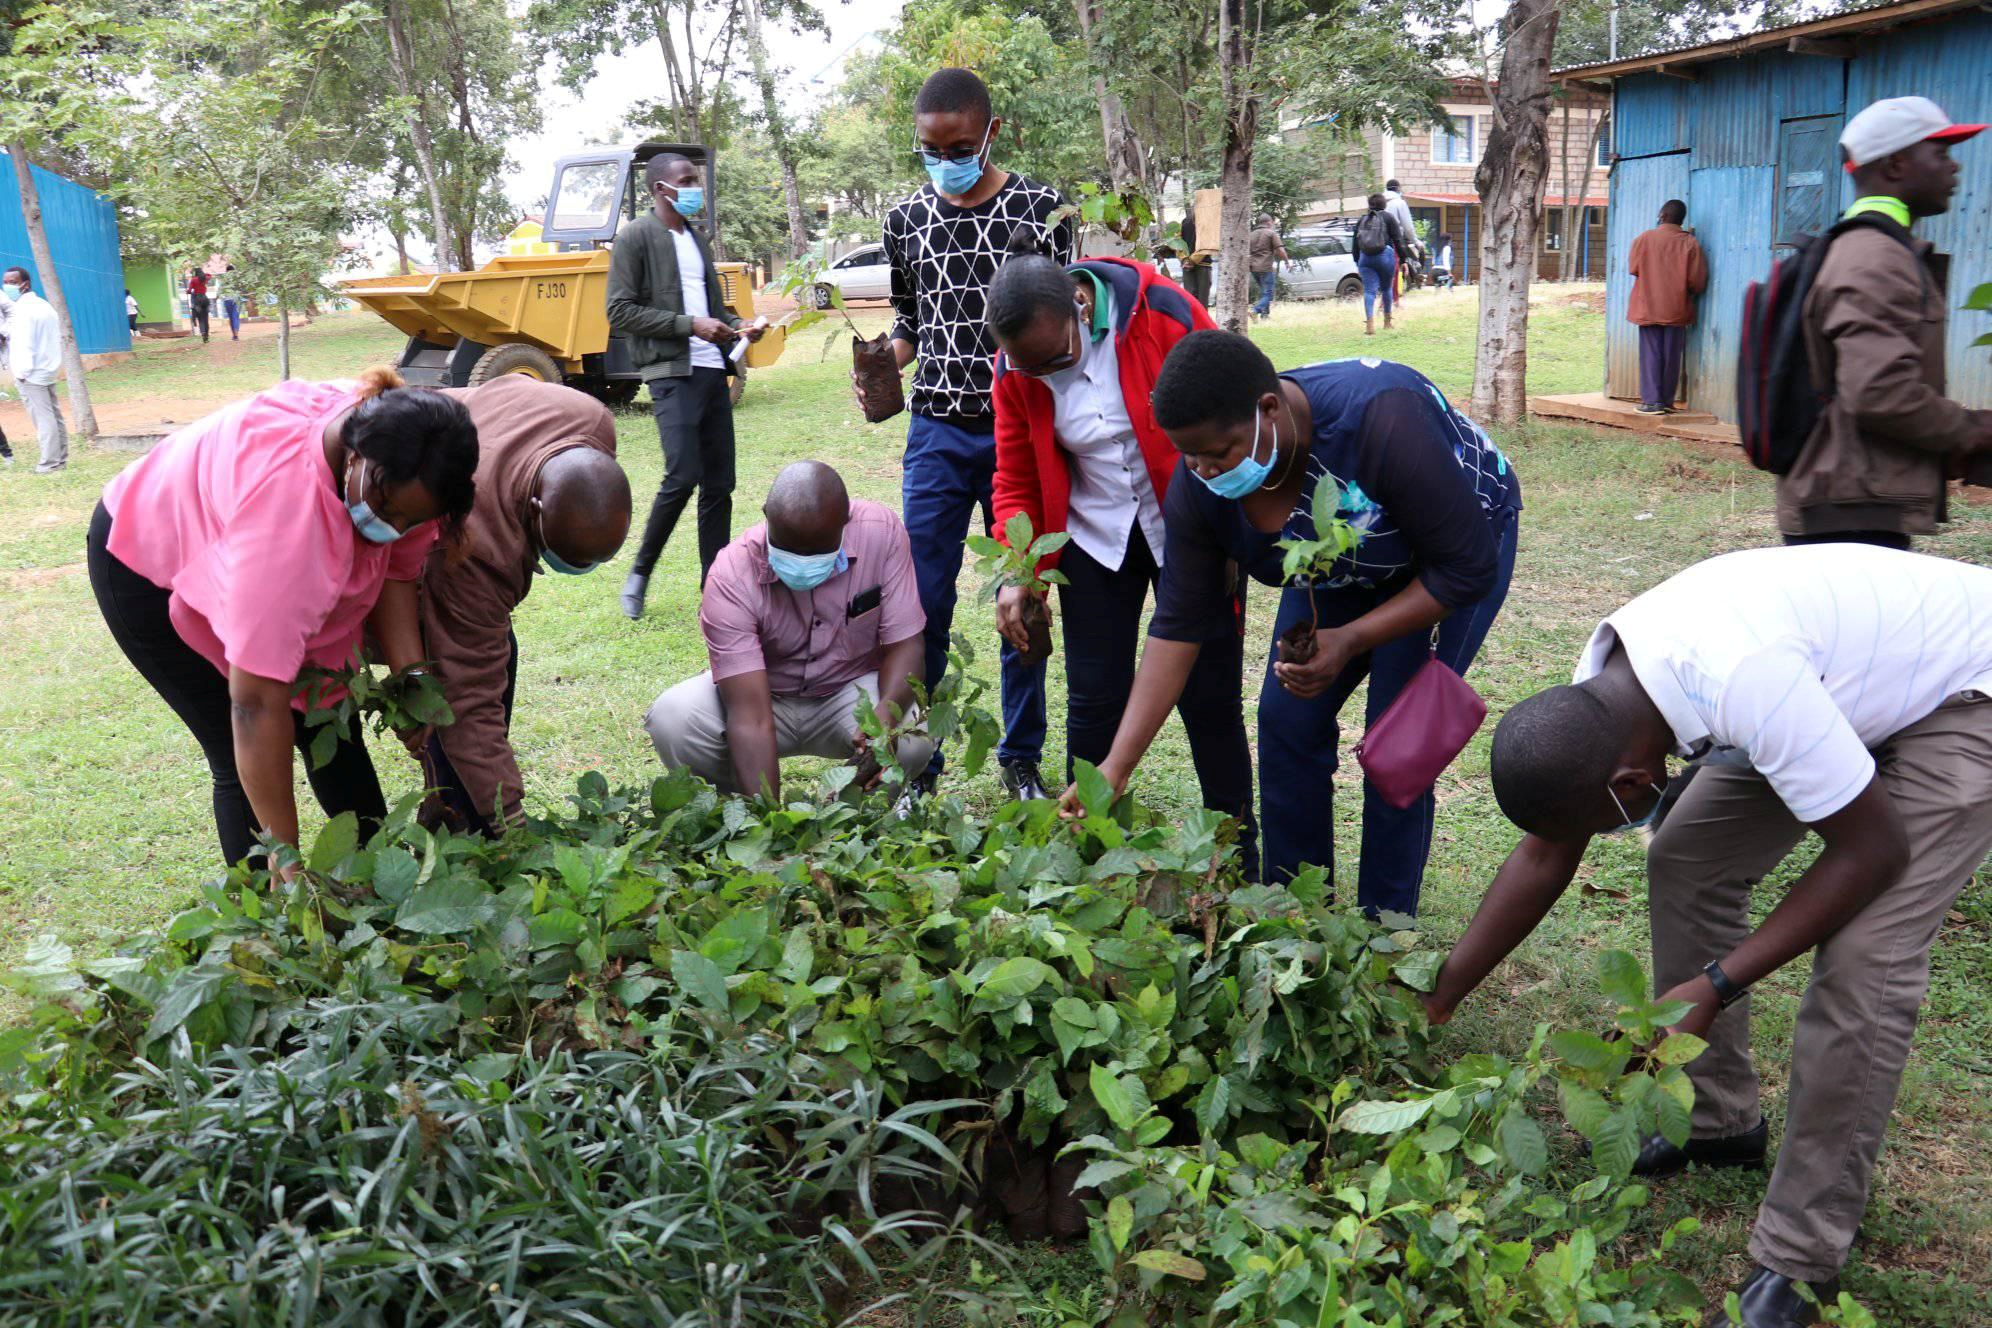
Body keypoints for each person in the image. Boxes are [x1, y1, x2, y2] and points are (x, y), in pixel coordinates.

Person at [1422, 546, 1992, 1328]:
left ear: (1629, 785)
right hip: (1834, 686)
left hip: (1965, 692)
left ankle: (1799, 1259)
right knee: (1687, 857)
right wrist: (1441, 994)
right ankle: (1720, 1121)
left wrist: (1715, 984)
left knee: (1868, 957)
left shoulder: (1743, 680)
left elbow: (1874, 850)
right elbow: (1548, 849)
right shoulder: (1604, 693)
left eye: (1609, 819)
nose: (1606, 830)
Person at [1074, 332, 1522, 911]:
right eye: (1192, 456)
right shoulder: (1201, 486)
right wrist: (1117, 766)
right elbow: (1178, 623)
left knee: (1396, 747)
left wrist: (1352, 638)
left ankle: (1384, 933)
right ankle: (1298, 918)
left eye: (1221, 452)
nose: (1207, 470)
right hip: (1336, 564)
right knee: (1287, 722)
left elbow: (1465, 570)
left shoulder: (1380, 419)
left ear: (1269, 409)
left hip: (1447, 554)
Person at [86, 368, 479, 870]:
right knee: (235, 752)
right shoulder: (288, 531)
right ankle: (267, 916)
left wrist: (413, 682)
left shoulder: (399, 441)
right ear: (357, 459)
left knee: (331, 723)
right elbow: (254, 705)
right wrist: (286, 859)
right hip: (145, 556)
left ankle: (377, 881)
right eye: (385, 507)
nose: (394, 529)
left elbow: (397, 576)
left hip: (248, 529)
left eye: (412, 521)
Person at [986, 238, 1258, 877]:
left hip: (1189, 530)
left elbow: (1235, 413)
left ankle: (1238, 850)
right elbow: (1016, 473)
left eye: (1055, 359)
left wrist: (1229, 538)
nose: (1043, 375)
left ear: (1081, 307)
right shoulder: (1014, 368)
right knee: (1094, 697)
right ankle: (1096, 853)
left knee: (1209, 694)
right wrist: (1018, 569)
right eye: (1029, 368)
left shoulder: (1163, 314)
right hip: (1095, 536)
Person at [866, 66, 1072, 802]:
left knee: (1024, 588)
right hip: (936, 434)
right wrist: (879, 365)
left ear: (992, 133)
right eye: (930, 146)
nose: (945, 158)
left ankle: (1021, 757)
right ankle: (919, 762)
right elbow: (911, 324)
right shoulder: (904, 220)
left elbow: (1061, 326)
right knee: (921, 601)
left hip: (1021, 427)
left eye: (959, 143)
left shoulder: (1042, 209)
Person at [645, 461, 934, 799]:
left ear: (846, 523)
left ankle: (854, 814)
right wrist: (772, 828)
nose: (803, 562)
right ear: (766, 515)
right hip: (764, 694)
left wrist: (882, 720)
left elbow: (906, 645)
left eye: (817, 552)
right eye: (790, 550)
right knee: (674, 717)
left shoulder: (880, 532)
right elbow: (749, 718)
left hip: (849, 691)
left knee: (912, 735)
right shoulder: (730, 574)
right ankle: (732, 811)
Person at [419, 376, 630, 834]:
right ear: (534, 508)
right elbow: (468, 698)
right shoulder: (470, 547)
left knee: (499, 655)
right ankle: (460, 823)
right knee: (455, 692)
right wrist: (514, 823)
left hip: (469, 476)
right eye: (568, 556)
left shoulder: (590, 419)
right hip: (394, 533)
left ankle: (464, 808)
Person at [1781, 96, 1992, 550]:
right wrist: (1972, 430)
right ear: (1896, 165)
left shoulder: (1874, 249)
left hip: (1855, 496)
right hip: (1852, 510)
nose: (1954, 168)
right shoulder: (1874, 258)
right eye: (1941, 153)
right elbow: (1878, 392)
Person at [609, 151, 766, 616]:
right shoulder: (636, 237)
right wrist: (689, 325)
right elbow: (619, 310)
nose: (695, 188)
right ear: (660, 189)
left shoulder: (697, 240)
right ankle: (640, 573)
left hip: (711, 371)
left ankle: (713, 586)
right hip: (670, 372)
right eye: (687, 180)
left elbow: (715, 311)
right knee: (684, 474)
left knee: (720, 481)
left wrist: (740, 325)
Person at [1625, 199, 1707, 415]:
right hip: (1676, 307)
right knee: (1672, 355)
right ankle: (1667, 401)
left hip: (1648, 305)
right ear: (1681, 220)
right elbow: (1697, 281)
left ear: (1662, 216)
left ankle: (1652, 402)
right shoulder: (1690, 243)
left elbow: (1634, 268)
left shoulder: (1644, 239)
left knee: (1651, 352)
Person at [3, 267, 66, 474]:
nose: (7, 286)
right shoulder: (44, 306)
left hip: (31, 373)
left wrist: (21, 374)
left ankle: (48, 463)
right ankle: (60, 459)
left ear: (25, 284)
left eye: (12, 282)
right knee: (54, 416)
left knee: (43, 418)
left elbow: (24, 345)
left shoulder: (23, 311)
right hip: (47, 368)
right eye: (6, 282)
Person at [1352, 194, 1409, 336]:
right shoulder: (1389, 218)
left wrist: (1358, 262)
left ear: (1369, 204)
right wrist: (1403, 260)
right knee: (1386, 288)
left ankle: (1370, 324)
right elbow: (1398, 240)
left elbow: (1355, 245)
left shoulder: (1362, 220)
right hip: (1385, 257)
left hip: (1365, 259)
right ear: (1384, 204)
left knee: (1369, 291)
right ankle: (1387, 322)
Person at [1382, 179, 1423, 294]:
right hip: (1395, 241)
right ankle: (1416, 277)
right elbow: (1407, 226)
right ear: (1398, 188)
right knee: (1407, 262)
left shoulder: (1380, 201)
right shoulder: (1399, 203)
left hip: (1379, 241)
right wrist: (1415, 241)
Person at [1247, 214, 1286, 320]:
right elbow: (1280, 250)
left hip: (1254, 268)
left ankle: (1265, 315)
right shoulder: (1271, 233)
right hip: (1266, 267)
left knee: (1264, 292)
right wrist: (1286, 261)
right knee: (1268, 293)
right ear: (1269, 222)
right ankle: (1255, 311)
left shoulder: (1251, 235)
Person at [1178, 209, 1212, 309]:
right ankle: (1201, 324)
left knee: (1190, 300)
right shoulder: (1208, 222)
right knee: (1202, 302)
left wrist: (1185, 259)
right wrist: (1190, 260)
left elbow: (1177, 242)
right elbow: (1207, 244)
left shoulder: (1184, 222)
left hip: (1187, 265)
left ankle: (1194, 323)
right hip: (1203, 265)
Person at [216, 263, 241, 340]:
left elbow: (220, 289)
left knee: (231, 317)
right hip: (236, 299)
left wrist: (217, 297)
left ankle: (234, 335)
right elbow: (240, 288)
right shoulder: (236, 278)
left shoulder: (223, 279)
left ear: (226, 271)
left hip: (227, 300)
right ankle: (236, 335)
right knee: (235, 317)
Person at [187, 267, 210, 343]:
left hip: (198, 300)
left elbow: (190, 290)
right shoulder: (205, 278)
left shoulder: (193, 280)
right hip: (205, 299)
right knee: (206, 318)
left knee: (200, 318)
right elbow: (209, 275)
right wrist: (204, 274)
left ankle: (203, 332)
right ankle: (206, 335)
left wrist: (188, 291)